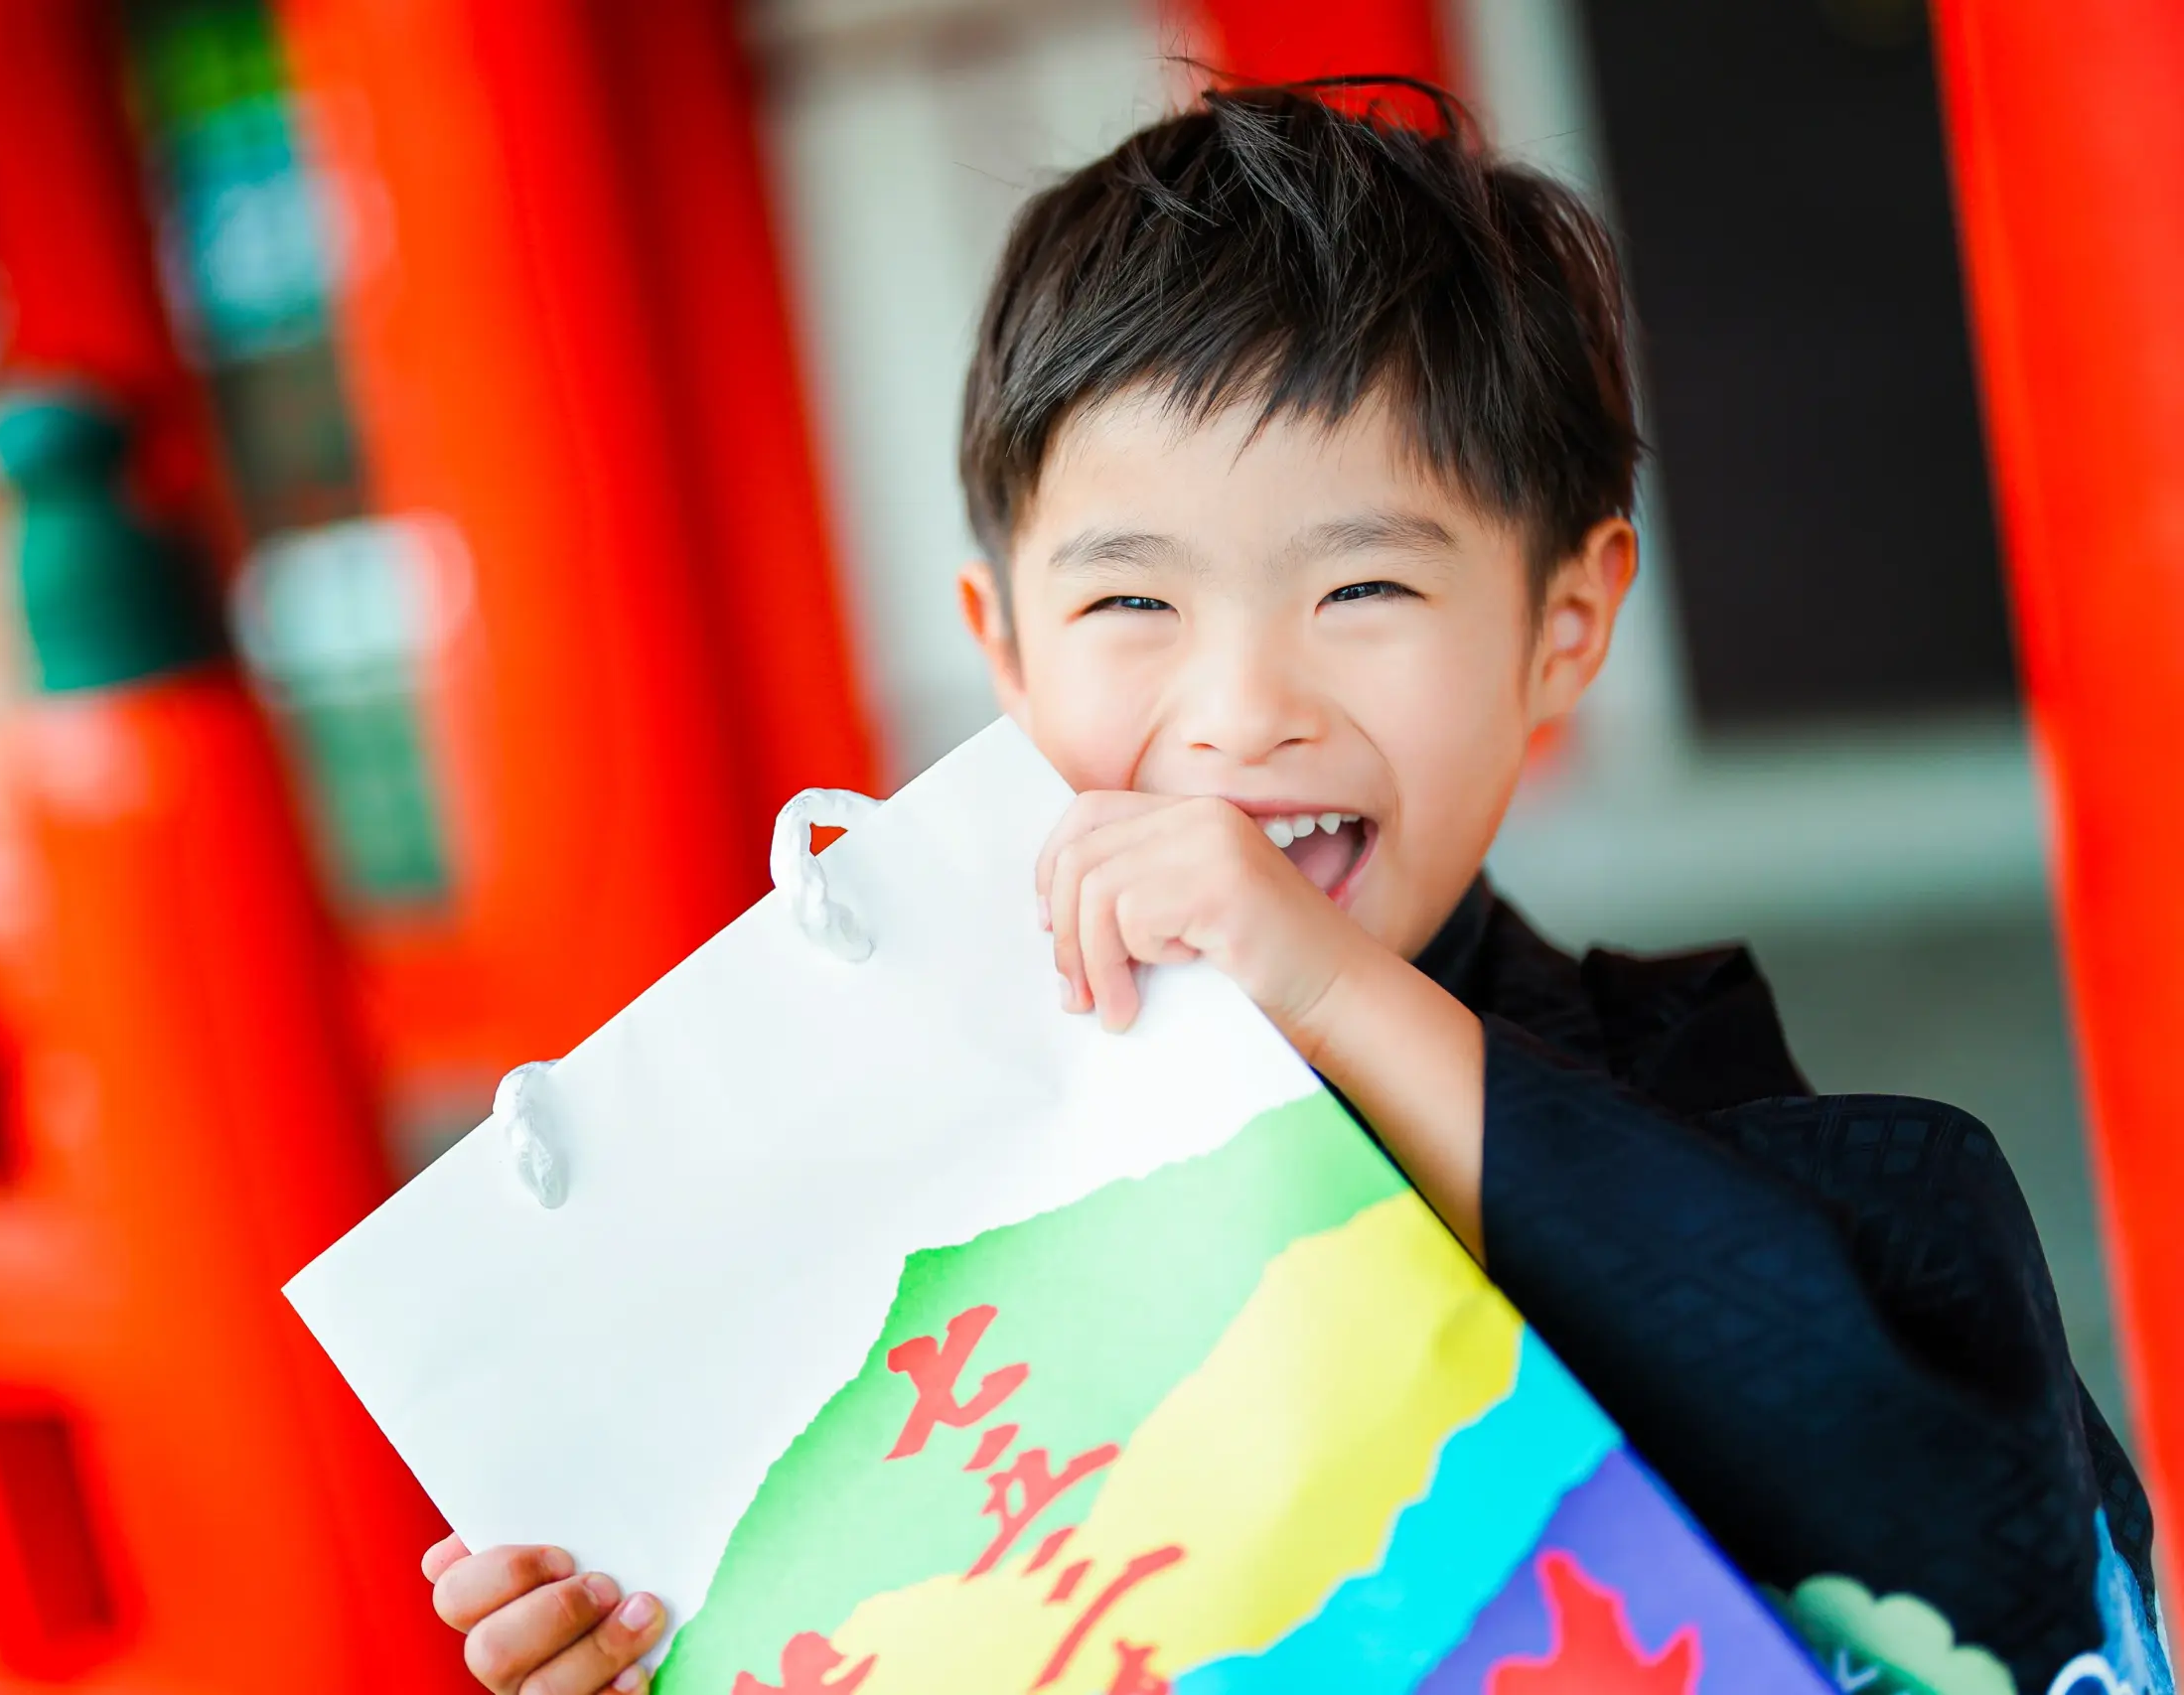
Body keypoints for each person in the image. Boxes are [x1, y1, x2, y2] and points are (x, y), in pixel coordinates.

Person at [419, 79, 2168, 1695]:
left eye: (1363, 590)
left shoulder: (1682, 1089)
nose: (1247, 707)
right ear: (1005, 652)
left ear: (1563, 627)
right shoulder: (918, 1174)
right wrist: (655, 1622)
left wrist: (1334, 995)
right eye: (1130, 603)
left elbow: (1924, 1480)